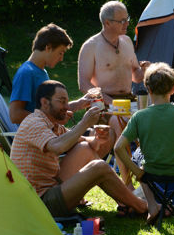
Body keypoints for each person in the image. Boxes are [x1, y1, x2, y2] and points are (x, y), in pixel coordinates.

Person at [10, 80, 147, 218]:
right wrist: (85, 122)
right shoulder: (34, 122)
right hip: (37, 201)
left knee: (84, 149)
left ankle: (126, 203)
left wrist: (96, 140)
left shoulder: (53, 125)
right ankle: (143, 207)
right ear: (45, 102)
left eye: (67, 102)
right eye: (62, 101)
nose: (66, 106)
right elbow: (58, 146)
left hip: (49, 188)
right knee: (99, 167)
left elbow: (79, 140)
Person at [114, 62, 174, 226]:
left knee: (139, 154)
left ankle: (152, 205)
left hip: (150, 170)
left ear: (148, 89)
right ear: (173, 89)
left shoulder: (139, 116)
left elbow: (118, 147)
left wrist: (136, 172)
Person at [9, 23, 97, 126]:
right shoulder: (27, 73)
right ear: (48, 48)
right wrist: (52, 120)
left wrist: (79, 104)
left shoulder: (41, 72)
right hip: (37, 138)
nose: (61, 58)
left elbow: (50, 110)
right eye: (60, 52)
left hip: (49, 134)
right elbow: (15, 115)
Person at [77, 0, 149, 103]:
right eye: (122, 21)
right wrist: (111, 103)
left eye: (127, 19)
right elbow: (84, 85)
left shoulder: (127, 41)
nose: (127, 23)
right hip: (102, 102)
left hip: (128, 99)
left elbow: (136, 77)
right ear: (107, 23)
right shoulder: (90, 46)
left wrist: (144, 70)